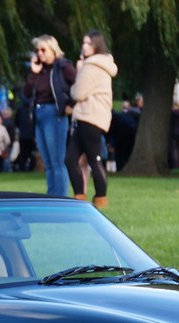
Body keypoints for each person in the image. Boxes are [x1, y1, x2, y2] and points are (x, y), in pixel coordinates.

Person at [65, 29, 117, 207]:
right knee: (72, 159)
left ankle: (100, 198)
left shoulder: (91, 66)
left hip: (90, 117)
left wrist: (79, 71)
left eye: (88, 43)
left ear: (96, 46)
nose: (84, 46)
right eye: (83, 42)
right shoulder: (102, 65)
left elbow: (78, 92)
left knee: (93, 159)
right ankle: (80, 196)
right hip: (91, 117)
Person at [24, 35, 76, 196]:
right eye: (37, 50)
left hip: (54, 114)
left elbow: (79, 84)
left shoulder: (62, 66)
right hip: (39, 113)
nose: (39, 53)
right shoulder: (39, 70)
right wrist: (33, 73)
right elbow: (26, 93)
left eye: (43, 49)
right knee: (47, 161)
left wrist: (70, 105)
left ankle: (60, 197)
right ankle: (51, 195)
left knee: (57, 160)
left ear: (53, 50)